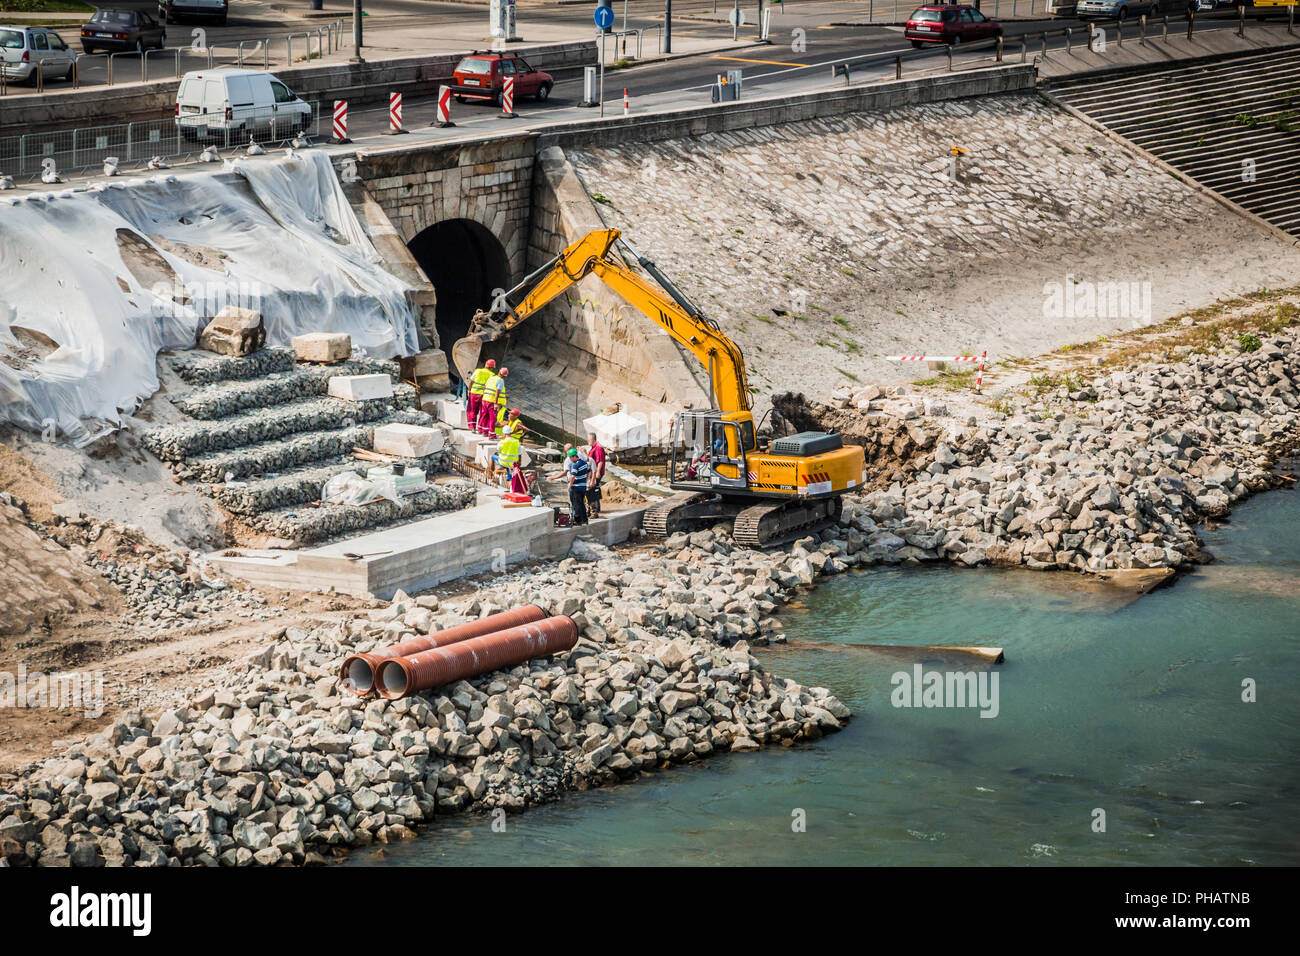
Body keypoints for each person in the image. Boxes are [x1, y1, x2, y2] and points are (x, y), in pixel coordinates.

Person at [466, 358, 494, 433]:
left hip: (474, 393)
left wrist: (469, 390)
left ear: (486, 365)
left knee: (472, 410)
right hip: (484, 395)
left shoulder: (477, 371)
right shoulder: (492, 375)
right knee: (483, 412)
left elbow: (471, 381)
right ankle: (480, 429)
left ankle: (472, 427)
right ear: (491, 368)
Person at [564, 447, 589, 526]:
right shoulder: (585, 463)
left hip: (577, 487)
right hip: (583, 486)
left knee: (576, 504)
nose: (570, 459)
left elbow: (572, 476)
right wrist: (585, 480)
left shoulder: (575, 465)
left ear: (574, 456)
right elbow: (589, 472)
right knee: (582, 503)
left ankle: (578, 521)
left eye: (570, 457)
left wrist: (571, 485)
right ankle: (585, 520)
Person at [478, 366, 505, 436]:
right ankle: (491, 434)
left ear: (499, 371)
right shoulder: (500, 380)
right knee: (492, 418)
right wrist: (495, 403)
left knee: (485, 416)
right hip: (491, 401)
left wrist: (484, 396)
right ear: (504, 376)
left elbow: (484, 387)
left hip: (485, 399)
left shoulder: (491, 378)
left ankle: (484, 432)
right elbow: (497, 392)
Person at [585, 431, 606, 518]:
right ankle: (594, 509)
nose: (587, 441)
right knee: (594, 489)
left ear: (592, 439)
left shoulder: (598, 448)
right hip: (593, 471)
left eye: (589, 440)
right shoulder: (594, 447)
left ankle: (594, 511)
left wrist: (598, 472)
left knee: (592, 490)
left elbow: (600, 461)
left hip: (596, 472)